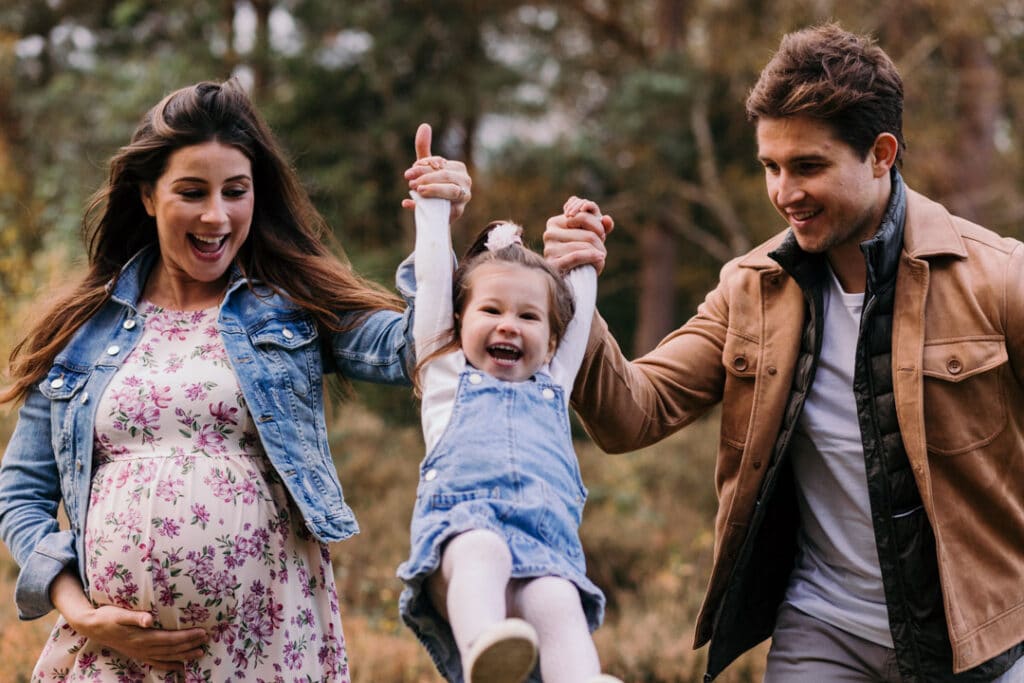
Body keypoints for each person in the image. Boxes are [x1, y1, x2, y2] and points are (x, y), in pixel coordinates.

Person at [544, 22, 1024, 683]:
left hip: (978, 641)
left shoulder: (1000, 279)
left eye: (807, 166)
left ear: (881, 154)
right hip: (823, 630)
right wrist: (573, 294)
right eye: (770, 166)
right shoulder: (750, 288)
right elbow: (632, 413)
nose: (783, 192)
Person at [0, 79, 471, 681]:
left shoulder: (291, 304)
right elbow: (22, 493)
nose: (216, 215)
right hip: (114, 659)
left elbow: (417, 345)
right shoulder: (82, 330)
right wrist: (81, 612)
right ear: (147, 196)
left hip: (270, 643)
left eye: (236, 191)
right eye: (192, 192)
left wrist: (438, 226)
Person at [395, 150, 621, 683]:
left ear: (551, 339)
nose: (509, 326)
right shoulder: (446, 375)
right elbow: (431, 281)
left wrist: (583, 246)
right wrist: (431, 207)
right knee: (484, 549)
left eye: (528, 316)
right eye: (491, 311)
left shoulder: (552, 382)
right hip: (462, 537)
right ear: (458, 322)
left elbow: (580, 310)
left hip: (545, 547)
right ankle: (485, 650)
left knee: (557, 600)